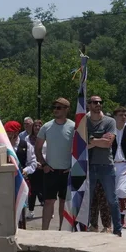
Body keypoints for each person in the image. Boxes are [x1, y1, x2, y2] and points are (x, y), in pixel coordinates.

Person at [35, 98, 75, 230]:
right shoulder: (46, 126)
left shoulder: (74, 126)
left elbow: (80, 150)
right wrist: (44, 164)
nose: (55, 110)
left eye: (59, 107)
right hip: (50, 171)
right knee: (48, 201)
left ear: (66, 109)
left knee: (64, 202)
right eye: (54, 107)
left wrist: (73, 166)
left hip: (67, 172)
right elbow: (37, 148)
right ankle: (44, 232)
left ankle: (62, 231)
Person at [84, 96, 122, 235]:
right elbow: (81, 144)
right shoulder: (84, 122)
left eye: (100, 102)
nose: (98, 104)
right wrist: (99, 140)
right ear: (89, 105)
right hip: (88, 165)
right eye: (95, 102)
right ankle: (88, 226)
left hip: (106, 165)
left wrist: (91, 140)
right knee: (87, 200)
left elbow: (107, 143)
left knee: (112, 199)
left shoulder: (110, 121)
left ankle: (117, 229)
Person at [5, 121, 37, 227]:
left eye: (10, 133)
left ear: (16, 132)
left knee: (21, 206)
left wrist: (25, 170)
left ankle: (21, 227)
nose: (8, 135)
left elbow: (33, 163)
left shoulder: (26, 145)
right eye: (7, 133)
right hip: (6, 181)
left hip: (21, 180)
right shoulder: (3, 146)